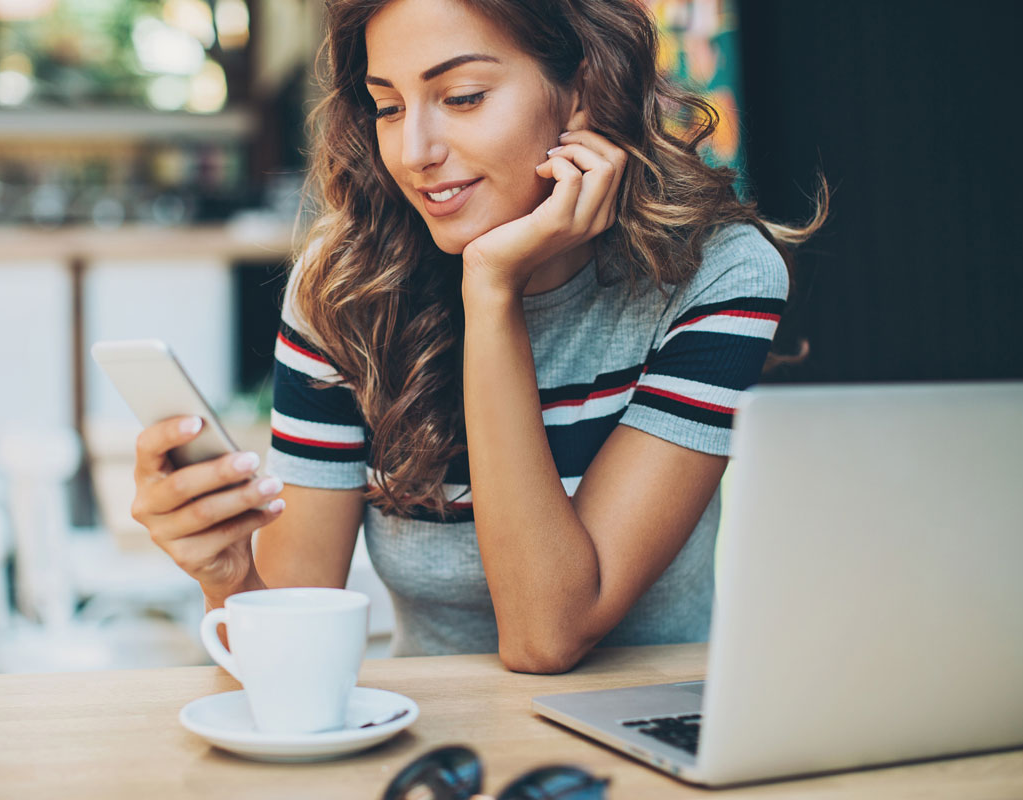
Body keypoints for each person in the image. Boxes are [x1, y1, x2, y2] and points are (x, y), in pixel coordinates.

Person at [131, 0, 826, 674]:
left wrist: (491, 291)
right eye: (389, 106)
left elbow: (548, 632)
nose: (415, 152)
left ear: (582, 86)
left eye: (462, 97)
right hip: (438, 751)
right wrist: (227, 579)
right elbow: (285, 653)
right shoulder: (347, 287)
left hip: (653, 742)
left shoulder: (716, 272)